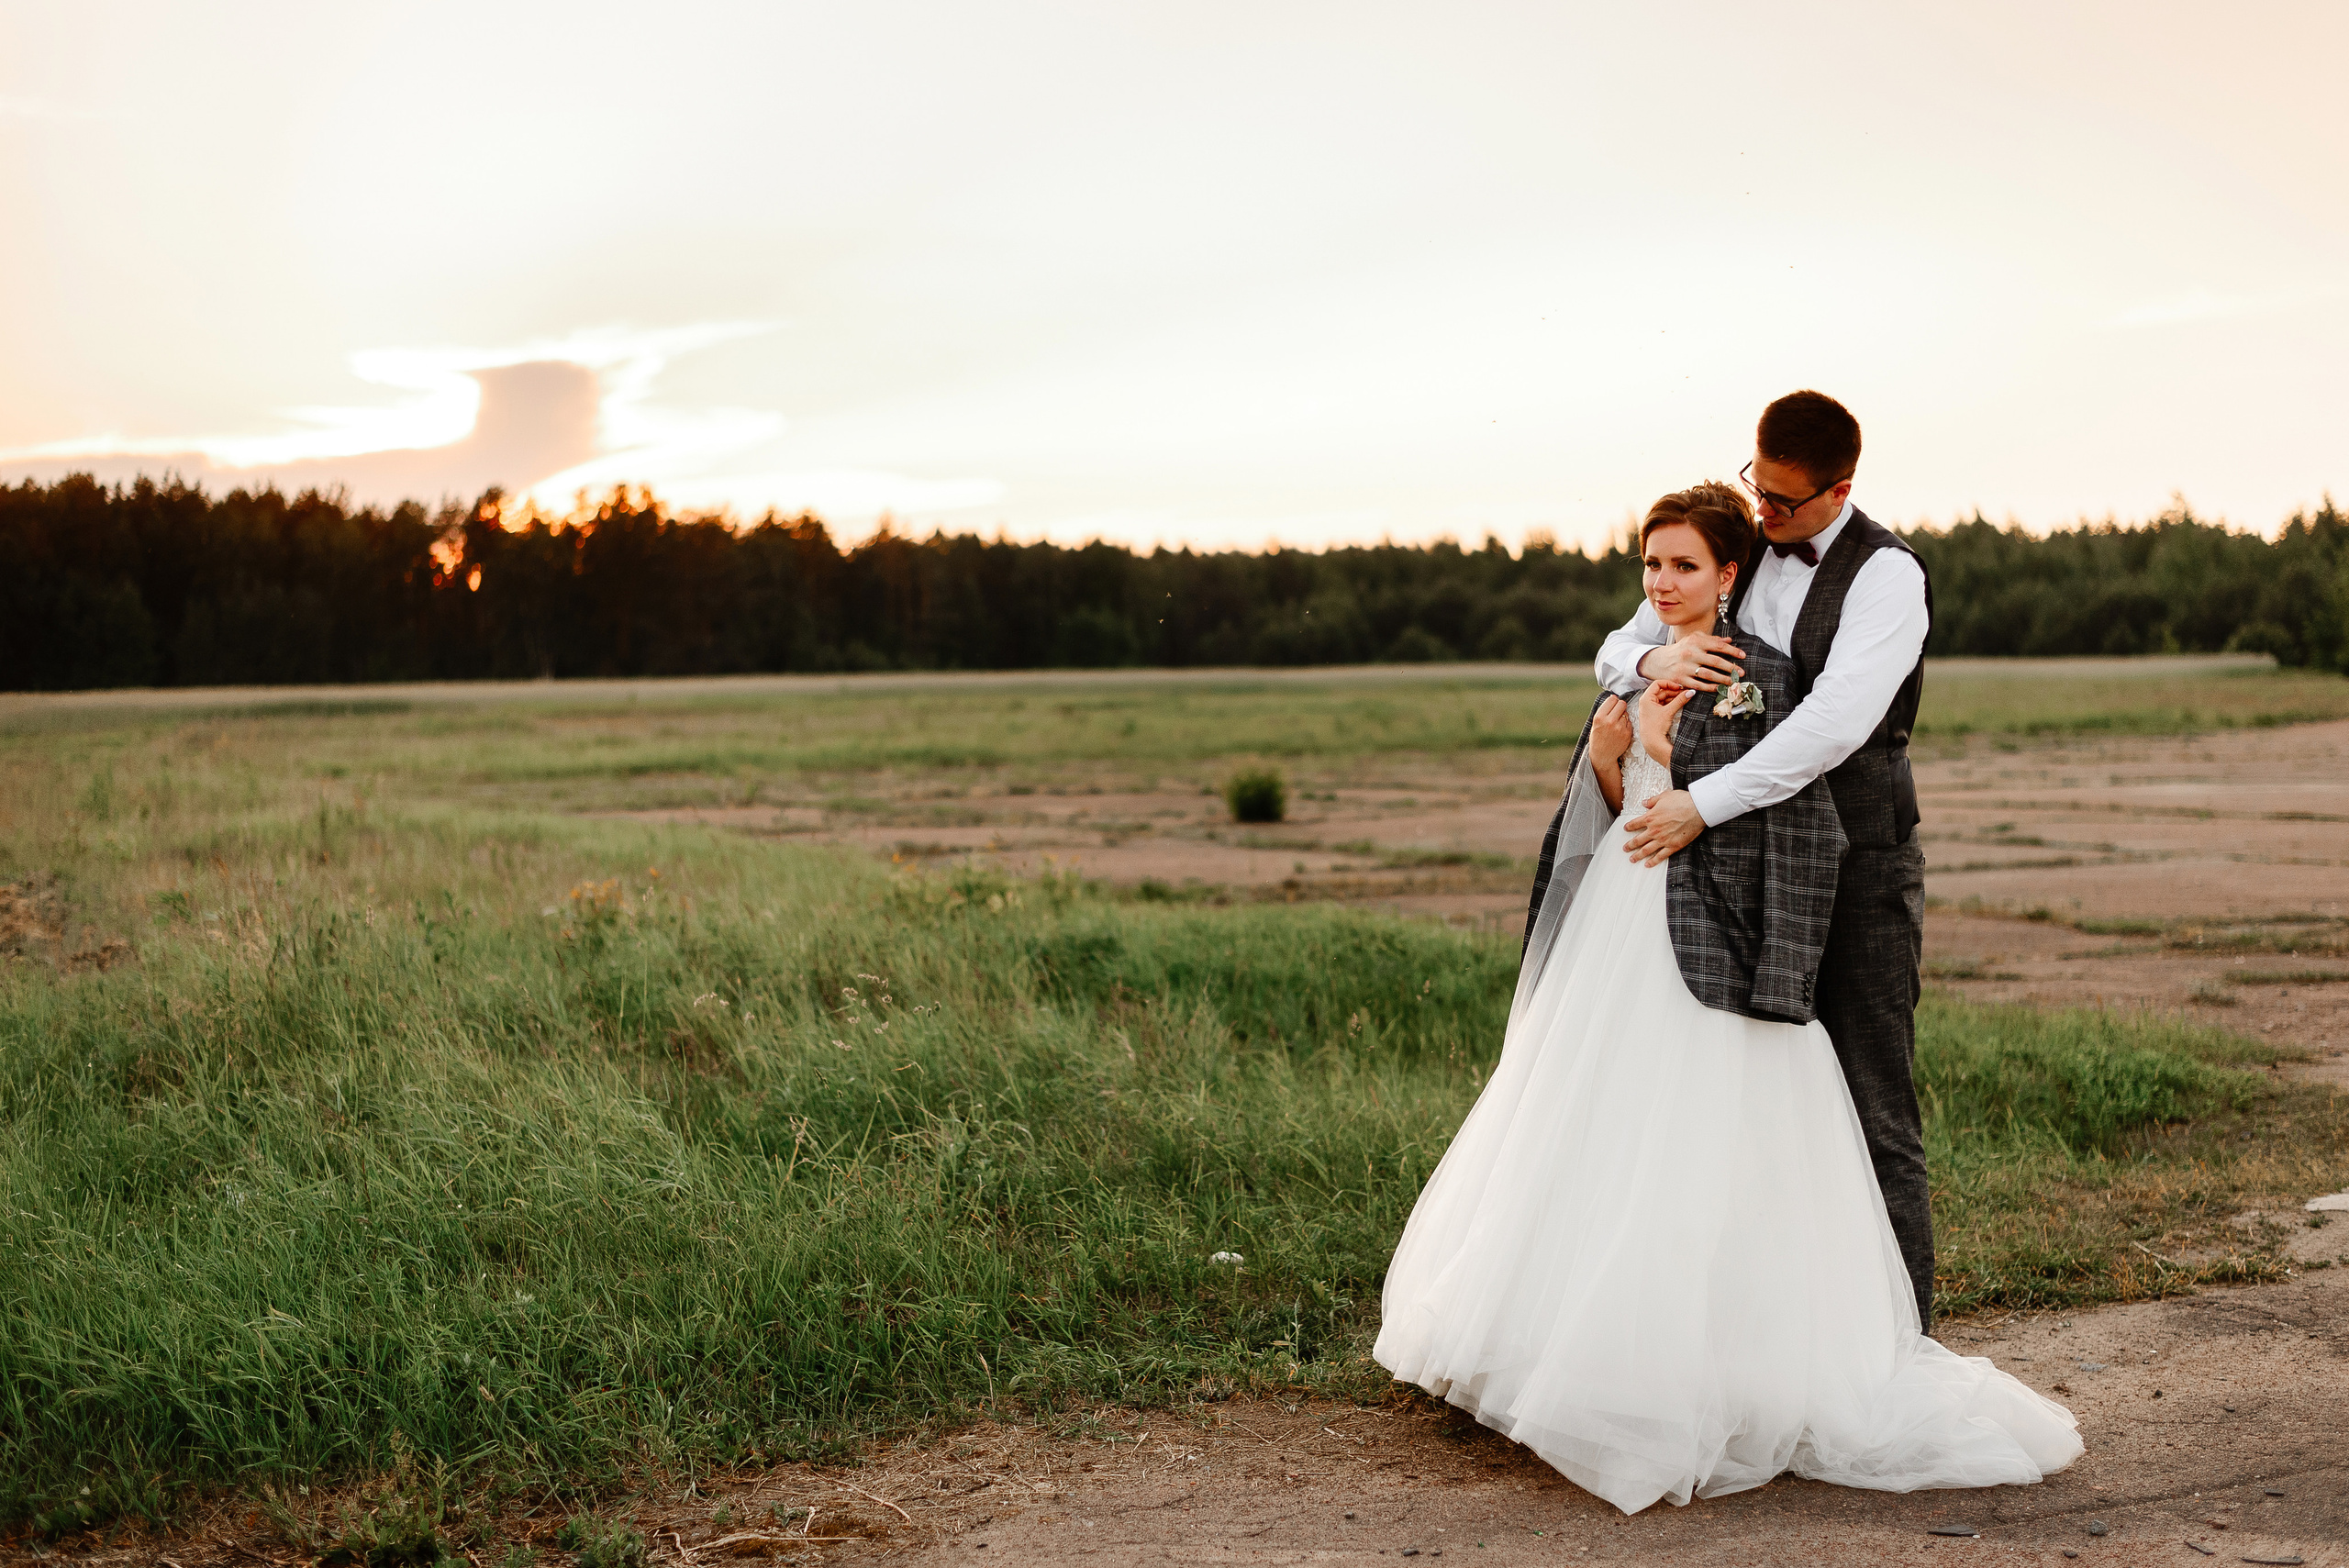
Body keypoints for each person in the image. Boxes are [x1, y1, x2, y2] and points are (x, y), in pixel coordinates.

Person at [1372, 481, 2079, 1516]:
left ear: (1727, 575)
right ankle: (1578, 1347)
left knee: (1719, 1135)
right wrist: (1618, 758)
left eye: (1684, 566)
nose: (1662, 583)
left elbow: (1771, 804)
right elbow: (1623, 795)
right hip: (1626, 912)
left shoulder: (1765, 675)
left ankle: (1726, 1368)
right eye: (1651, 565)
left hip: (1714, 933)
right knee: (1597, 1118)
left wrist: (1669, 761)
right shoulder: (1640, 660)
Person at [1600, 390, 1940, 1331]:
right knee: (1752, 1101)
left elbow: (1831, 727)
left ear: (1839, 488)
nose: (1764, 511)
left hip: (1859, 865)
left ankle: (1897, 1343)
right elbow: (1619, 647)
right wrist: (1652, 673)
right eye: (1757, 487)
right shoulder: (1743, 547)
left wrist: (1698, 803)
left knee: (1873, 1106)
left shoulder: (1885, 578)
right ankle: (1773, 1335)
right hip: (1742, 870)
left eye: (1784, 501)